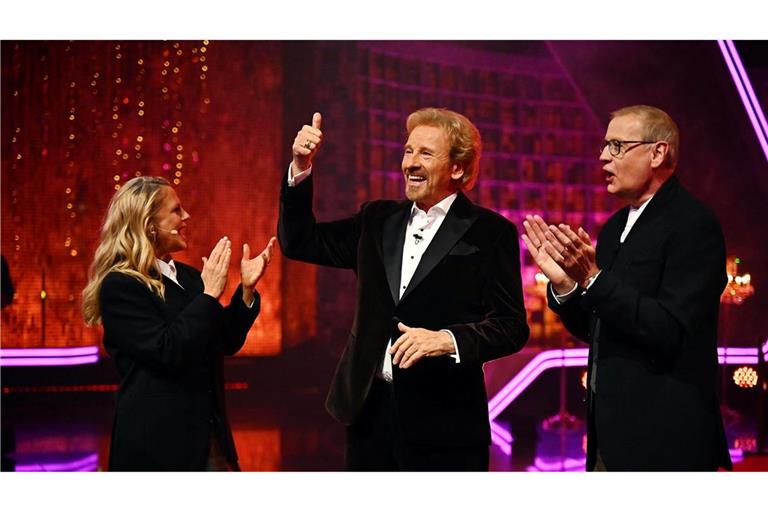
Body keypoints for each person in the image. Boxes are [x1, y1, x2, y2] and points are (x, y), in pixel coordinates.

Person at [278, 108, 529, 470]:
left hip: (445, 424)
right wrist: (300, 166)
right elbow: (300, 241)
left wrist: (447, 339)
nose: (410, 163)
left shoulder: (491, 233)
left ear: (457, 168)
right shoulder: (377, 219)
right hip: (369, 414)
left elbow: (511, 327)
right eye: (408, 151)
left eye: (425, 154)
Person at [522, 105, 731, 471]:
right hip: (609, 438)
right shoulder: (617, 225)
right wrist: (566, 286)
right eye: (604, 146)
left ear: (658, 153)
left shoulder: (694, 224)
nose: (603, 157)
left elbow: (671, 331)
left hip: (665, 443)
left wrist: (594, 279)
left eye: (617, 146)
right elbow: (597, 329)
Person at [82, 176, 275, 471]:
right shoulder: (120, 285)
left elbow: (225, 340)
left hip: (209, 437)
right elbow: (166, 350)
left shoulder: (187, 276)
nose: (186, 217)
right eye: (176, 210)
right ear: (149, 224)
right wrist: (209, 294)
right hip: (157, 445)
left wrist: (246, 290)